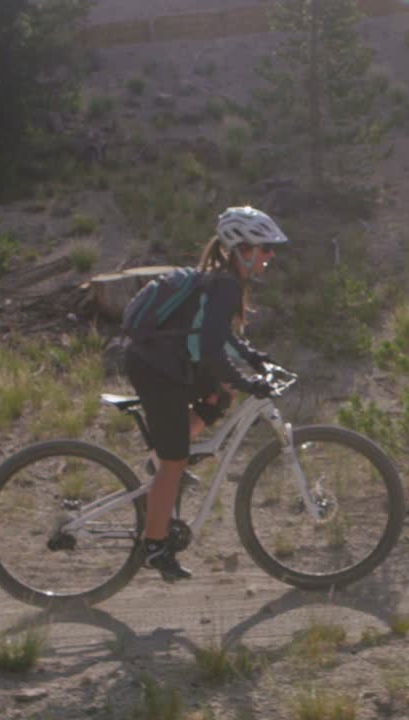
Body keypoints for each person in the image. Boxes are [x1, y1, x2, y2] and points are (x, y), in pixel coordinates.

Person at [125, 206, 286, 581]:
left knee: (220, 394)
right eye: (265, 249)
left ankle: (163, 462)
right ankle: (154, 545)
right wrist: (248, 382)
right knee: (174, 460)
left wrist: (251, 357)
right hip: (156, 370)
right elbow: (212, 350)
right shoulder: (226, 284)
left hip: (164, 363)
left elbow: (218, 335)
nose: (270, 256)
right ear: (242, 250)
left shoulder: (220, 280)